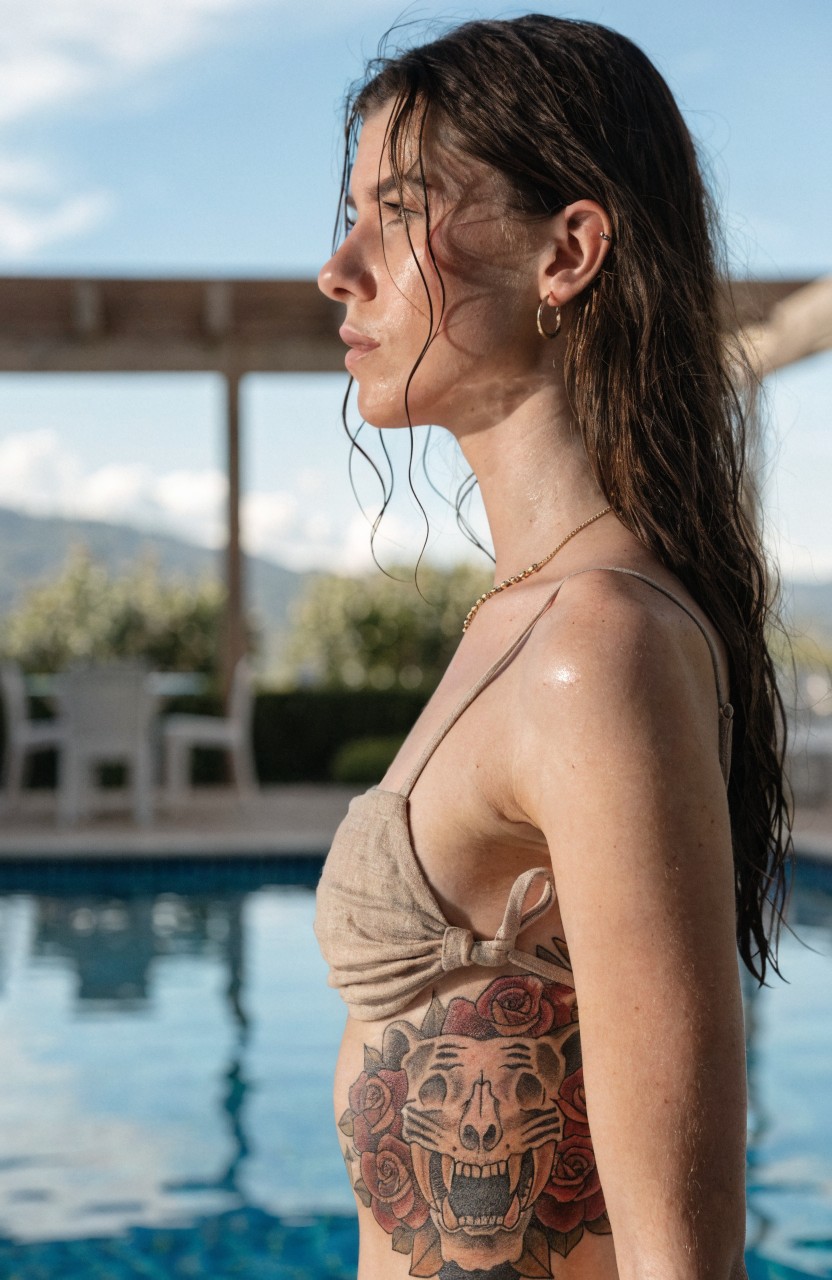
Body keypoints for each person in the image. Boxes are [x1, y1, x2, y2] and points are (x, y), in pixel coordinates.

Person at [314, 15, 791, 1280]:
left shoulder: (598, 643)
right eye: (348, 210)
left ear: (567, 251)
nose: (339, 267)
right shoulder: (525, 617)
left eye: (398, 210)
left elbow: (678, 1254)